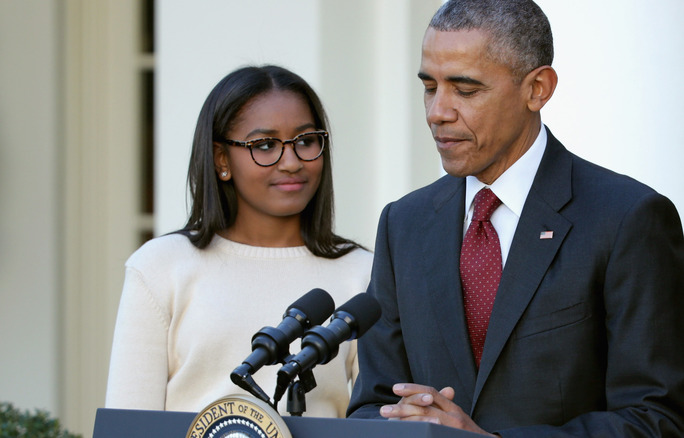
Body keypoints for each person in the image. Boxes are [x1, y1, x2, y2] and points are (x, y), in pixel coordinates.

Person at [347, 0, 684, 436]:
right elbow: (373, 407)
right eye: (430, 87)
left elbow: (656, 418)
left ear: (537, 89)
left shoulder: (628, 218)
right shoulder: (403, 223)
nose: (437, 112)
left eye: (465, 90)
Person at [104, 65, 372, 418]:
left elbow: (379, 415)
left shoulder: (362, 273)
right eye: (264, 145)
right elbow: (130, 421)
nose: (291, 162)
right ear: (221, 160)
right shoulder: (160, 267)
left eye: (306, 141)